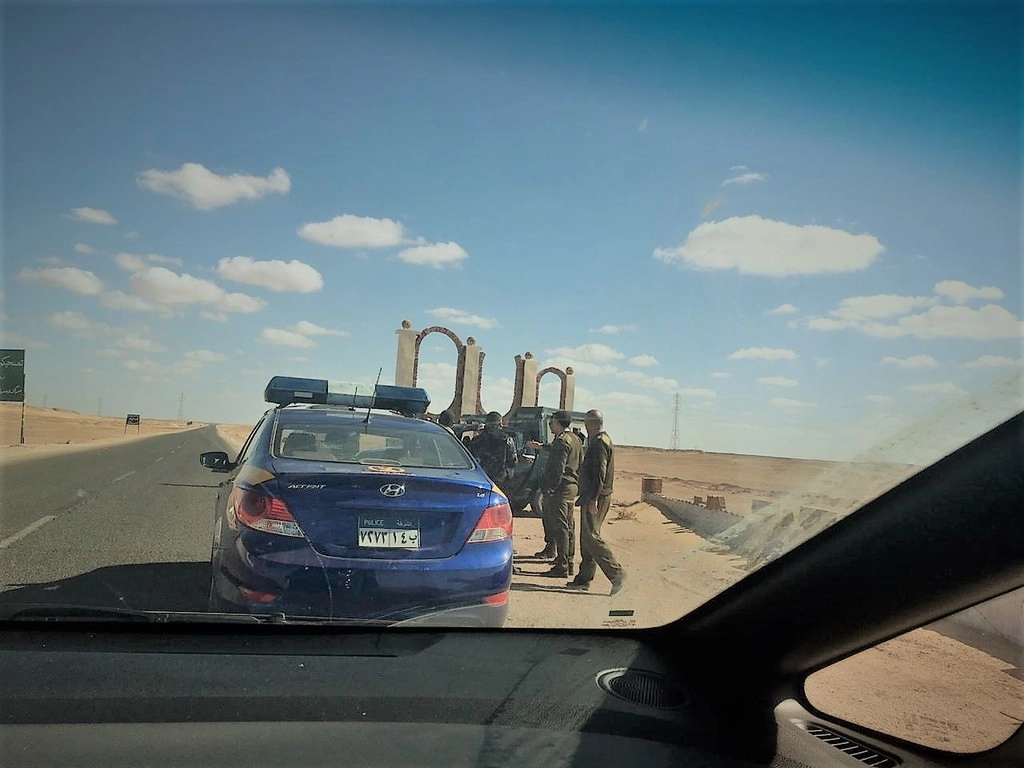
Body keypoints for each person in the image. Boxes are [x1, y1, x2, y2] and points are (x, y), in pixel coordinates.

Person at [569, 409, 626, 595]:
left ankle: (617, 574)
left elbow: (600, 473)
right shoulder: (600, 440)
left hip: (597, 496)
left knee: (592, 537)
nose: (585, 427)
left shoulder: (600, 443)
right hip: (594, 495)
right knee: (586, 538)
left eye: (587, 423)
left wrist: (594, 498)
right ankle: (584, 578)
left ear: (592, 424)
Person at [531, 410, 582, 578]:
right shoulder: (575, 439)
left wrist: (552, 487)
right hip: (571, 486)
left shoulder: (562, 441)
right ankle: (569, 563)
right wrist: (541, 446)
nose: (550, 424)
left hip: (561, 488)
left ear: (558, 421)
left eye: (552, 421)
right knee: (568, 527)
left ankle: (562, 566)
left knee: (560, 528)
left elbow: (558, 468)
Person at [469, 411, 518, 495]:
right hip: (500, 479)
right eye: (501, 423)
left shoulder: (475, 441)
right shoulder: (507, 440)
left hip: (481, 477)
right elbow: (512, 461)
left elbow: (470, 460)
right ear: (498, 424)